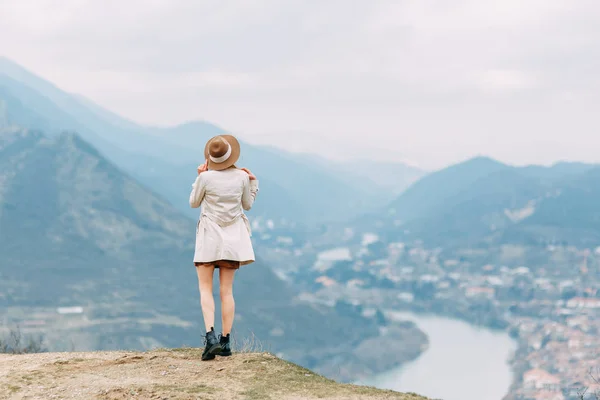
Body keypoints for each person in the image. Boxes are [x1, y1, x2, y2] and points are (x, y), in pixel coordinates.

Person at [189, 134, 259, 361]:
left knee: (205, 289)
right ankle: (226, 342)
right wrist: (253, 183)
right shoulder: (241, 177)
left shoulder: (205, 178)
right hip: (232, 241)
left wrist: (199, 177)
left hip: (209, 239)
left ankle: (210, 340)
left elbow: (193, 202)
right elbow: (247, 205)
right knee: (226, 292)